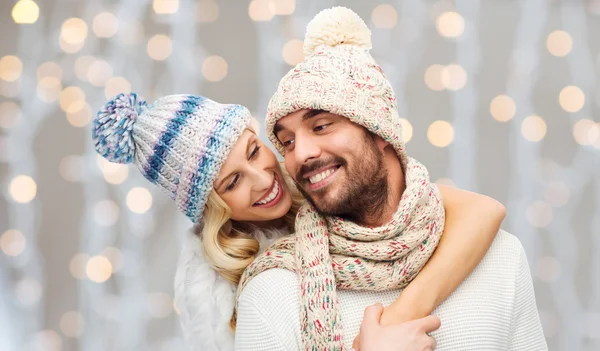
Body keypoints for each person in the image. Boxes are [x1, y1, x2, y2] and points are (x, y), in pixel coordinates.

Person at [233, 6, 547, 351]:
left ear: (379, 130)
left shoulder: (500, 256)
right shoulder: (273, 290)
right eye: (287, 142)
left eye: (321, 126)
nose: (300, 154)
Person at [92, 92, 505, 351]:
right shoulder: (226, 290)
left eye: (254, 152)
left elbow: (482, 210)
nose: (264, 180)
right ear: (210, 207)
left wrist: (401, 315)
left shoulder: (318, 178)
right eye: (233, 181)